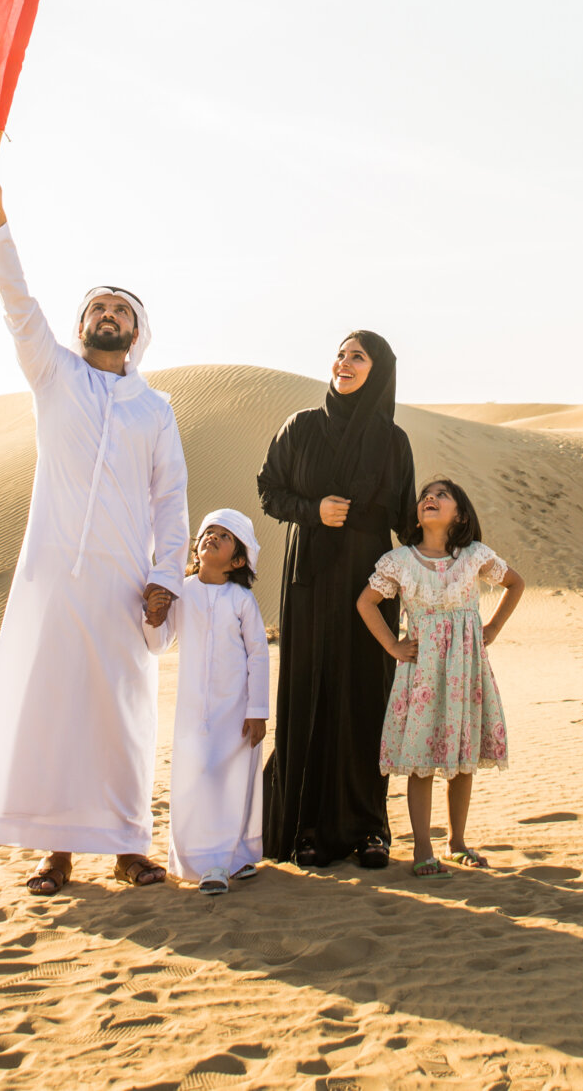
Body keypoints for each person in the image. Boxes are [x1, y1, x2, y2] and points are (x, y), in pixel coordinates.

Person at [0, 165, 189, 894]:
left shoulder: (154, 409)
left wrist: (164, 577)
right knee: (53, 709)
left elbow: (171, 498)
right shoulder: (54, 374)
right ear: (82, 324)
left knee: (121, 713)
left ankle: (127, 846)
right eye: (97, 306)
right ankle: (55, 852)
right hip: (53, 575)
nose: (108, 314)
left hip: (124, 580)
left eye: (120, 310)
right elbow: (18, 303)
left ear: (137, 333)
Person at [259, 331, 414, 869]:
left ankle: (370, 828)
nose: (344, 363)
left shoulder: (393, 442)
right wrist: (312, 511)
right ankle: (306, 827)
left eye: (358, 357)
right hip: (310, 579)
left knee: (366, 696)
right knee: (312, 693)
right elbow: (269, 490)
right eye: (341, 354)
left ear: (379, 371)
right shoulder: (301, 427)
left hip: (370, 587)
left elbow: (407, 522)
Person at [357, 478, 525, 876]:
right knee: (421, 760)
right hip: (422, 674)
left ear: (461, 515)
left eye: (441, 495)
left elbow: (515, 583)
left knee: (463, 756)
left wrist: (492, 628)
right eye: (424, 496)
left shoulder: (474, 555)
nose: (429, 499)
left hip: (465, 671)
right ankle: (422, 847)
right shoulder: (400, 560)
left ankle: (457, 842)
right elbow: (366, 602)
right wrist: (393, 645)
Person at [144, 508, 273, 894]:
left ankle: (233, 858)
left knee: (231, 784)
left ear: (238, 561)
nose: (212, 537)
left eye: (224, 535)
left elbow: (259, 655)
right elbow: (158, 643)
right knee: (198, 780)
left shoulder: (241, 599)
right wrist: (154, 616)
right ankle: (205, 862)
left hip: (236, 713)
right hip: (193, 714)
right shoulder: (183, 592)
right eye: (208, 531)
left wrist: (258, 711)